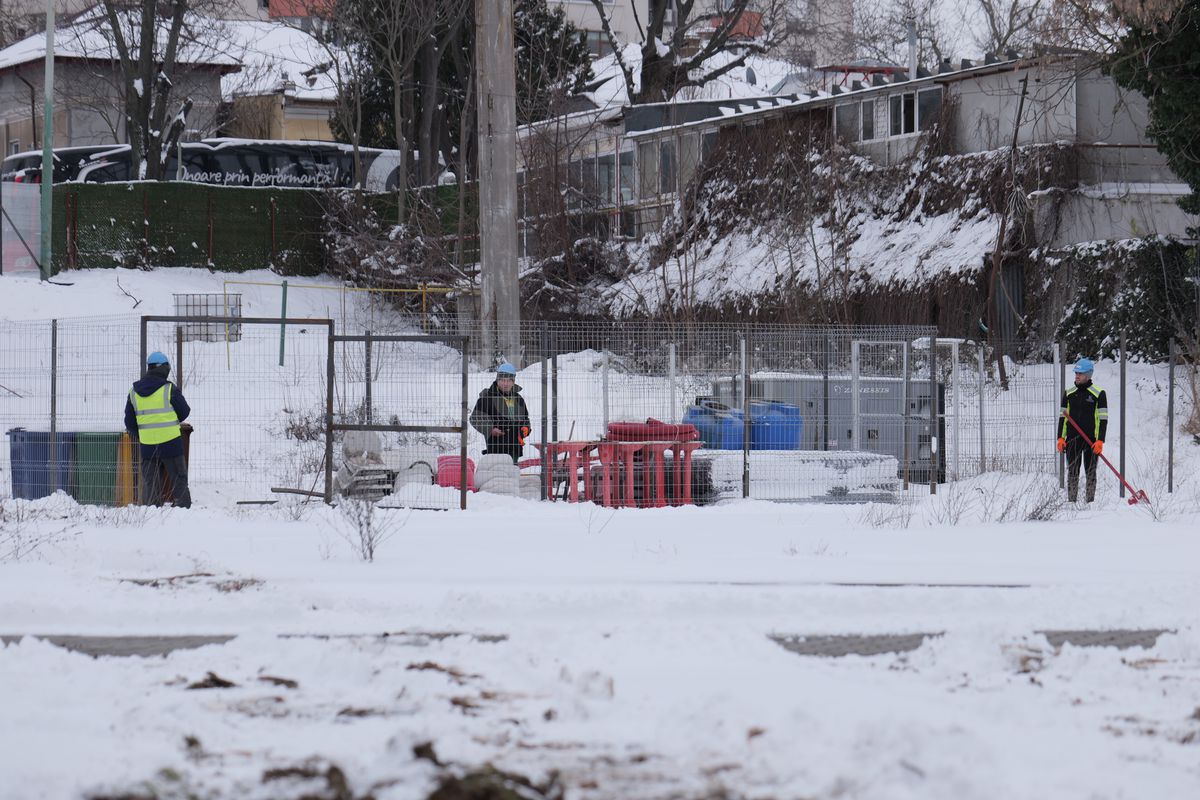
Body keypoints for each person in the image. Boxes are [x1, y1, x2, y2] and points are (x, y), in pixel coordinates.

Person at [124, 351, 192, 508]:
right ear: (163, 368)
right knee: (179, 480)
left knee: (151, 485)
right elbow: (184, 411)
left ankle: (151, 515)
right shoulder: (169, 389)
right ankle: (184, 511)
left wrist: (143, 433)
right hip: (171, 444)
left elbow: (129, 422)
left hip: (148, 446)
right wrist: (169, 421)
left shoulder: (133, 392)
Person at [1057, 357, 1108, 503]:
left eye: (1080, 374)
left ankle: (1090, 501)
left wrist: (1100, 440)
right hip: (1072, 439)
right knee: (1073, 472)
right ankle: (1072, 502)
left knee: (1090, 471)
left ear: (1088, 375)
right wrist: (1060, 437)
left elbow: (1103, 419)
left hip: (1091, 440)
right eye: (1076, 373)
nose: (1077, 376)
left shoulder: (1099, 394)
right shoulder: (1069, 393)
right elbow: (1062, 417)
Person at [470, 362, 531, 464]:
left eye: (508, 381)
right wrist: (490, 429)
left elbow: (525, 419)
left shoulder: (518, 399)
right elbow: (474, 419)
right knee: (497, 477)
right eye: (502, 380)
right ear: (497, 380)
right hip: (496, 448)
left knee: (512, 476)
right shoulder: (487, 398)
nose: (505, 384)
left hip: (515, 448)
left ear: (513, 381)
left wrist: (526, 428)